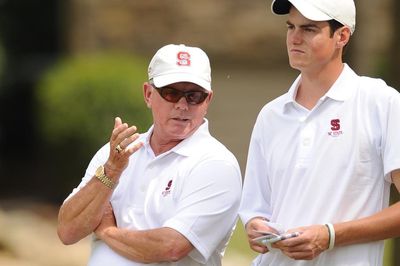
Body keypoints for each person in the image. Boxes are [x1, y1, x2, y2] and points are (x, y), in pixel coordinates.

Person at [239, 0, 400, 265]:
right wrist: (256, 227)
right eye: (291, 27)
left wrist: (331, 236)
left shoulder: (381, 103)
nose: (295, 38)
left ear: (342, 36)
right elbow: (257, 211)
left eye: (309, 29)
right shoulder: (271, 115)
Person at [57, 44, 242, 266]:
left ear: (207, 101)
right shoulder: (115, 154)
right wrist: (110, 173)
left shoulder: (216, 163)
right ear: (148, 94)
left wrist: (107, 231)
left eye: (194, 96)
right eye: (171, 93)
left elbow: (171, 246)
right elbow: (67, 231)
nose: (182, 105)